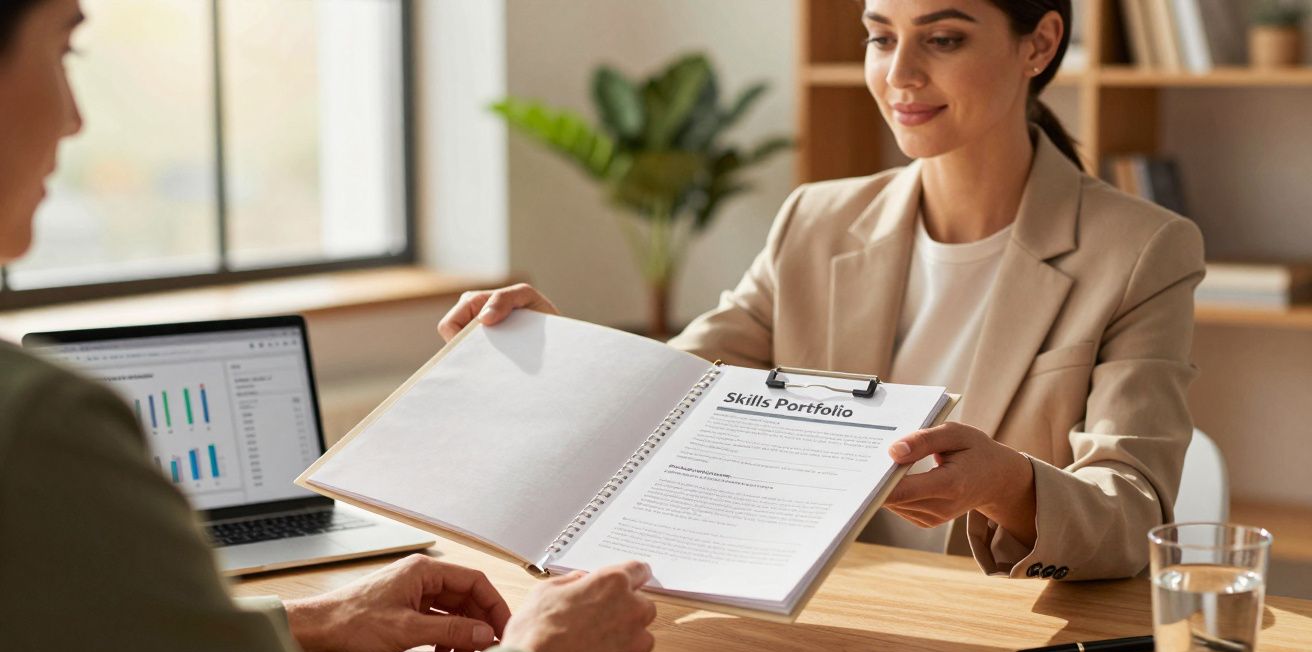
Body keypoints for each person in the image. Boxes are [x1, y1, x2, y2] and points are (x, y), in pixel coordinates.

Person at [0, 1, 655, 652]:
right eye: (64, 51)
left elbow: (72, 645)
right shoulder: (37, 427)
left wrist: (317, 619)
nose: (75, 119)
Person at [440, 0, 1205, 583]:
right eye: (880, 37)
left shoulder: (1141, 250)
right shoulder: (816, 220)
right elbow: (678, 390)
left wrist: (1010, 485)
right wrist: (558, 355)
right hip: (818, 612)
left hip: (997, 635)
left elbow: (1133, 514)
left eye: (942, 39)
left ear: (1038, 44)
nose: (900, 74)